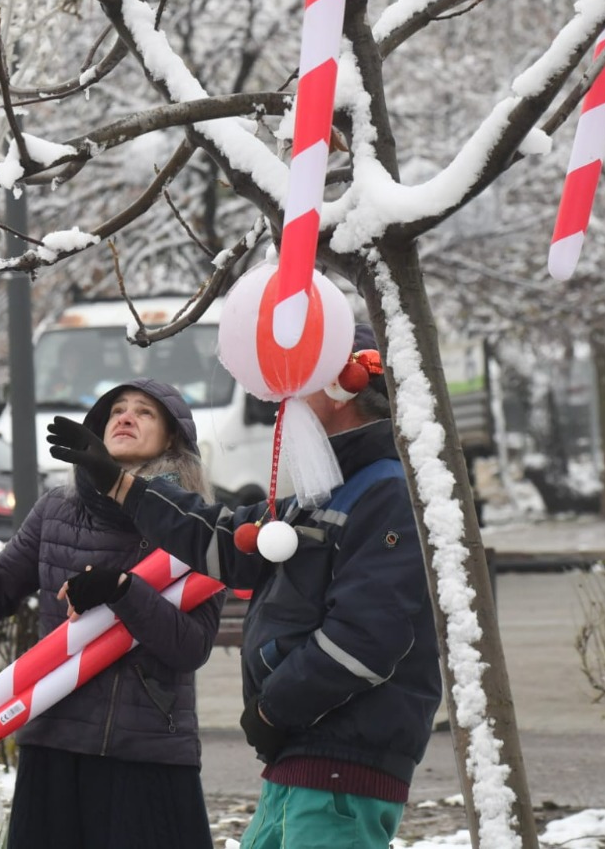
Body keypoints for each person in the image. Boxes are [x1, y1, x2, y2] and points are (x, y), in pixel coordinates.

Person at [47, 325, 442, 849]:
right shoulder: (321, 492)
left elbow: (366, 639)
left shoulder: (385, 492)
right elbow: (229, 541)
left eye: (293, 385)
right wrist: (121, 485)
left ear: (342, 387)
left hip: (344, 766)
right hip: (301, 757)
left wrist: (273, 709)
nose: (280, 404)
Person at [0, 378, 221, 849]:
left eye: (144, 412)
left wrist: (123, 591)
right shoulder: (55, 510)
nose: (124, 417)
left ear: (172, 440)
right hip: (55, 743)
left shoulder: (196, 526)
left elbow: (190, 647)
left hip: (148, 750)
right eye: (116, 410)